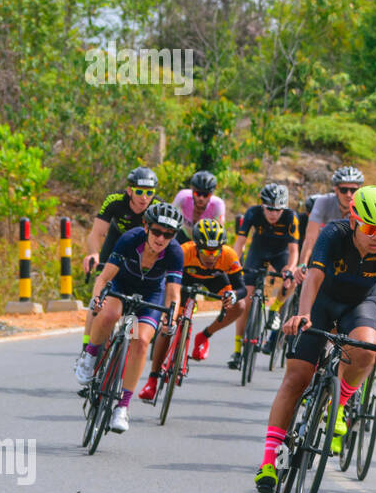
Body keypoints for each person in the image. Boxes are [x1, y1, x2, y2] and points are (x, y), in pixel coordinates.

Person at [253, 187, 376, 493]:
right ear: (354, 220)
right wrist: (304, 315)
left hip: (359, 305)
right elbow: (313, 277)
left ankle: (337, 404)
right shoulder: (333, 234)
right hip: (321, 303)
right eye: (371, 228)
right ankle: (271, 460)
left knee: (366, 350)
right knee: (296, 378)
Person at [75, 202, 185, 435]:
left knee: (141, 341)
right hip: (121, 285)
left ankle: (122, 407)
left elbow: (173, 295)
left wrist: (171, 320)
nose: (161, 238)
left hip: (151, 295)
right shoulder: (130, 239)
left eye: (168, 234)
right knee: (110, 314)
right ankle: (90, 355)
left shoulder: (175, 252)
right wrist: (97, 300)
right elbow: (104, 279)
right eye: (156, 231)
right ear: (146, 227)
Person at [138, 218, 246, 400]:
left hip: (215, 279)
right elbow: (165, 279)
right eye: (205, 251)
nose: (211, 257)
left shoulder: (228, 255)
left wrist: (233, 296)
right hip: (184, 279)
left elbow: (241, 287)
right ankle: (153, 379)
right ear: (196, 247)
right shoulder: (183, 251)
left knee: (240, 306)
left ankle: (204, 336)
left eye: (215, 251)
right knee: (169, 326)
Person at [81, 166, 160, 350]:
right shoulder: (115, 201)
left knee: (135, 295)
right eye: (139, 192)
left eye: (149, 193)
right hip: (115, 242)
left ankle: (127, 344)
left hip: (141, 249)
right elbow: (96, 233)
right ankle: (87, 348)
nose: (144, 197)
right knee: (99, 298)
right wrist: (94, 253)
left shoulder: (157, 207)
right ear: (130, 190)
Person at [233, 183, 300, 366]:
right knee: (245, 300)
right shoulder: (252, 213)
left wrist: (289, 269)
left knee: (292, 281)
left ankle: (275, 308)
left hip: (280, 254)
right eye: (269, 208)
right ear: (262, 205)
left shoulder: (291, 217)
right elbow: (240, 243)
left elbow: (294, 250)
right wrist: (234, 265)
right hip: (258, 251)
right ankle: (238, 350)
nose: (273, 213)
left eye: (278, 210)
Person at [299, 166, 363, 273]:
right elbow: (311, 237)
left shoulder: (362, 208)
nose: (348, 194)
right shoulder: (323, 202)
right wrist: (302, 264)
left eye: (353, 190)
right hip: (322, 250)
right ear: (336, 190)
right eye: (343, 190)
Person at [171, 170, 225, 241]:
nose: (201, 198)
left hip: (204, 239)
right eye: (198, 194)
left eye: (206, 195)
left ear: (211, 194)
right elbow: (170, 217)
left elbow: (219, 231)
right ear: (192, 191)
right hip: (184, 234)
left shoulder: (218, 204)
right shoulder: (183, 196)